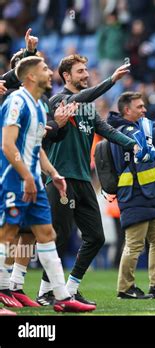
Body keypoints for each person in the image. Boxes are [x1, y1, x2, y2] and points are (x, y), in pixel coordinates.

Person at [37, 54, 137, 306]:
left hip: (82, 179)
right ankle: (44, 291)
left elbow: (107, 131)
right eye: (80, 71)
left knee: (96, 237)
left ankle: (70, 288)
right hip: (60, 177)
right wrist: (111, 80)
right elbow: (81, 98)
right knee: (59, 236)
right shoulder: (59, 101)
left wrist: (134, 145)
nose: (85, 74)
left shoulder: (89, 109)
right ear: (66, 76)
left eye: (86, 70)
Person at [0, 56, 96, 313]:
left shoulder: (39, 106)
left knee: (47, 235)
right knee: (8, 235)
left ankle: (61, 297)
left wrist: (52, 173)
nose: (49, 71)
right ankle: (2, 289)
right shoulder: (16, 101)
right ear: (31, 76)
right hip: (14, 178)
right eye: (44, 68)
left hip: (36, 181)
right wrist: (28, 177)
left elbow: (36, 147)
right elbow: (8, 145)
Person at [108, 92, 155, 299]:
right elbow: (152, 137)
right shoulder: (125, 131)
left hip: (146, 195)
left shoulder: (137, 128)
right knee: (134, 244)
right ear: (127, 110)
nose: (144, 110)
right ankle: (125, 288)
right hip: (134, 194)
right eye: (140, 107)